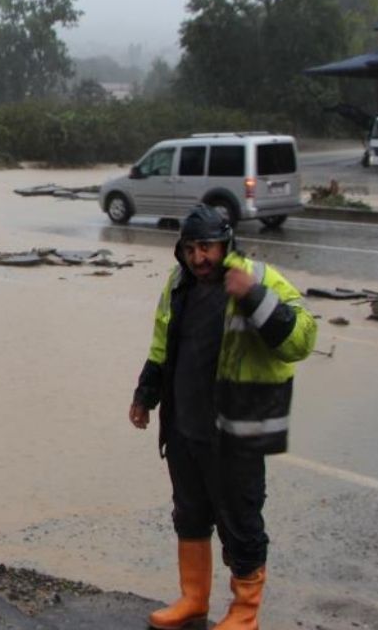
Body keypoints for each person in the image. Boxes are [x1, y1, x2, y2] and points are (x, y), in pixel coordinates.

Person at [129, 205, 316, 630]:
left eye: (207, 248)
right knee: (189, 514)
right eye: (191, 249)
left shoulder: (258, 278)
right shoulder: (179, 283)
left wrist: (253, 295)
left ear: (225, 243)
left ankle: (244, 614)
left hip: (236, 430)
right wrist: (145, 395)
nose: (199, 259)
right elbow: (162, 345)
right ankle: (193, 599)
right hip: (184, 426)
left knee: (241, 521)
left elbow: (302, 340)